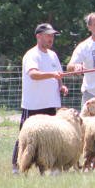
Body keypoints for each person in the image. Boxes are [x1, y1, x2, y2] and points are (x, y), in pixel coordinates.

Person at [12, 23, 68, 174]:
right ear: (39, 36)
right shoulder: (32, 55)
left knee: (50, 139)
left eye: (52, 36)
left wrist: (61, 86)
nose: (51, 39)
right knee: (26, 137)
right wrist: (52, 75)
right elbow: (33, 74)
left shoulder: (53, 55)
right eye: (48, 36)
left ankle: (50, 168)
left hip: (51, 103)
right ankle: (16, 167)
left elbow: (59, 75)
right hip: (34, 104)